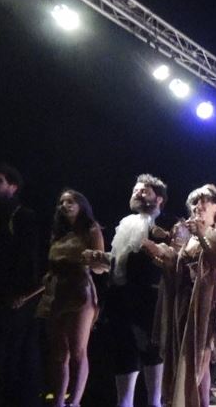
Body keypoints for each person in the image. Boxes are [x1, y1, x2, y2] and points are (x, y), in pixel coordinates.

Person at [145, 185, 216, 407]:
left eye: (205, 201)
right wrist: (160, 255)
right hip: (187, 301)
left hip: (209, 301)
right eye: (195, 202)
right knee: (188, 357)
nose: (199, 206)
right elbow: (180, 268)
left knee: (200, 356)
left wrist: (201, 234)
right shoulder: (190, 238)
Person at [83, 174, 171, 407]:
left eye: (144, 191)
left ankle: (155, 402)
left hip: (148, 297)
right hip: (119, 297)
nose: (137, 193)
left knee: (151, 349)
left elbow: (168, 259)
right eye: (136, 190)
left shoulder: (166, 224)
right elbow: (120, 261)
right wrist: (101, 257)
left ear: (159, 199)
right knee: (123, 351)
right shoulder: (126, 223)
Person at [33, 190, 104, 407]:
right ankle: (58, 401)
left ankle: (75, 401)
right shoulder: (59, 232)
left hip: (80, 291)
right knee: (58, 353)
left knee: (78, 351)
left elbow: (100, 265)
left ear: (81, 204)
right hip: (57, 293)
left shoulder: (91, 229)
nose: (66, 205)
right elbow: (50, 270)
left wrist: (93, 259)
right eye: (62, 202)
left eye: (71, 201)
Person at [0, 163, 43, 407]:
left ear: (13, 187)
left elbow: (29, 259)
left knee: (12, 353)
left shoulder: (23, 216)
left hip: (16, 298)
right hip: (4, 295)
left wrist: (22, 294)